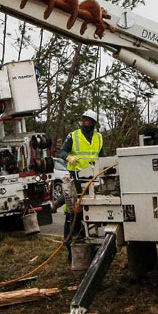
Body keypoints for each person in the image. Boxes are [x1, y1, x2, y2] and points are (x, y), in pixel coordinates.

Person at [59, 110, 103, 263]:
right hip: (76, 178)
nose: (85, 122)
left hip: (92, 179)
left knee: (90, 215)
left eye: (88, 120)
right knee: (73, 213)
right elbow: (62, 152)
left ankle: (89, 246)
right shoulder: (73, 135)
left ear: (93, 122)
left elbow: (102, 157)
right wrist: (68, 157)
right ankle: (71, 248)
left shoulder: (99, 137)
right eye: (83, 119)